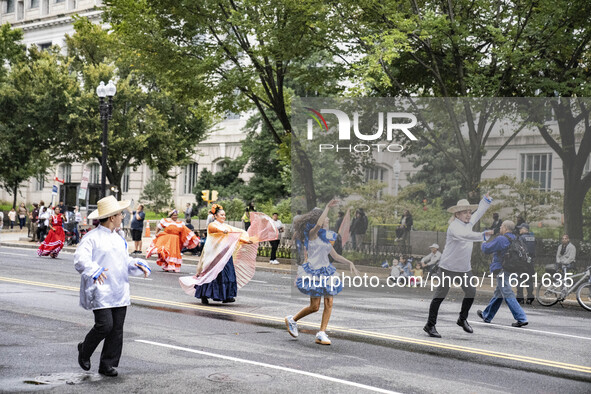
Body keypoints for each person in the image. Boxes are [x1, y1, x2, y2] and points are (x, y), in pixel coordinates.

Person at [74, 195, 151, 377]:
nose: (122, 217)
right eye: (120, 214)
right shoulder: (91, 238)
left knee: (116, 329)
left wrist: (135, 264)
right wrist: (94, 269)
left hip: (119, 288)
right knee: (105, 325)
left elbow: (124, 261)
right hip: (100, 289)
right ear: (111, 217)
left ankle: (107, 364)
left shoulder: (119, 238)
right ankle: (84, 350)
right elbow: (80, 260)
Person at [285, 200, 360, 345]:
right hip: (314, 272)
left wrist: (350, 263)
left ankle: (321, 333)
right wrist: (326, 207)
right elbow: (318, 224)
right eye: (326, 217)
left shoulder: (325, 238)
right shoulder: (312, 234)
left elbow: (335, 256)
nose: (328, 219)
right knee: (314, 307)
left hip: (327, 272)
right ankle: (292, 320)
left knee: (329, 301)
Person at [424, 195, 493, 338]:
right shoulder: (454, 227)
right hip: (448, 268)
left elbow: (479, 212)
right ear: (457, 214)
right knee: (440, 296)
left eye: (469, 212)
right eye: (465, 212)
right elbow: (466, 236)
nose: (469, 215)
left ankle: (462, 319)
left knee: (471, 292)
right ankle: (430, 325)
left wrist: (486, 201)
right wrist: (482, 235)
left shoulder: (468, 223)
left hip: (464, 269)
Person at [186, 204, 252, 304]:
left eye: (224, 215)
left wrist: (245, 241)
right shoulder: (213, 225)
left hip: (225, 254)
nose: (223, 217)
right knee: (212, 274)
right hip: (214, 255)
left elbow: (234, 236)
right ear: (215, 216)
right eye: (221, 215)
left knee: (228, 274)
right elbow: (216, 230)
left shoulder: (225, 226)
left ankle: (227, 296)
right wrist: (222, 230)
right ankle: (204, 294)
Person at [477, 220, 528, 327]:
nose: (500, 228)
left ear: (505, 228)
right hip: (514, 269)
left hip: (502, 269)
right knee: (498, 293)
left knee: (507, 293)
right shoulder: (516, 238)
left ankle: (521, 317)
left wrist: (483, 241)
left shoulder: (502, 239)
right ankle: (487, 315)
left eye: (501, 227)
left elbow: (486, 249)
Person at [515, 223, 536, 304]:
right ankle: (530, 297)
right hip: (530, 262)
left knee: (520, 280)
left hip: (522, 262)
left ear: (525, 229)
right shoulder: (533, 238)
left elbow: (519, 250)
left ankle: (520, 298)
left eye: (521, 228)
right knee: (529, 280)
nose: (519, 230)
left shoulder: (521, 238)